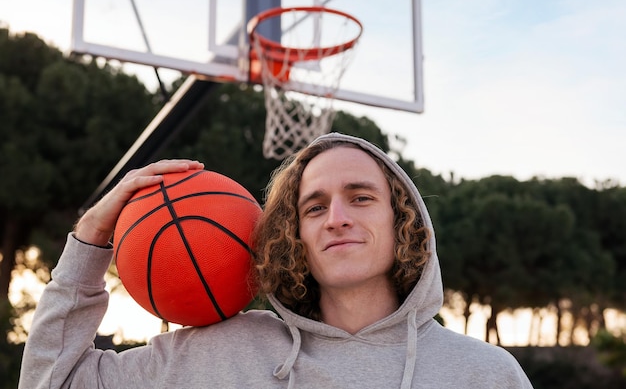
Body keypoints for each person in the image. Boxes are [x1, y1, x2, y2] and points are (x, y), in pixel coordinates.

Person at [19, 132, 533, 388]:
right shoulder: (215, 354)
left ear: (404, 221)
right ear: (294, 236)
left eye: (360, 197)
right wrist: (89, 240)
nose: (336, 217)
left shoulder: (483, 374)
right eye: (314, 207)